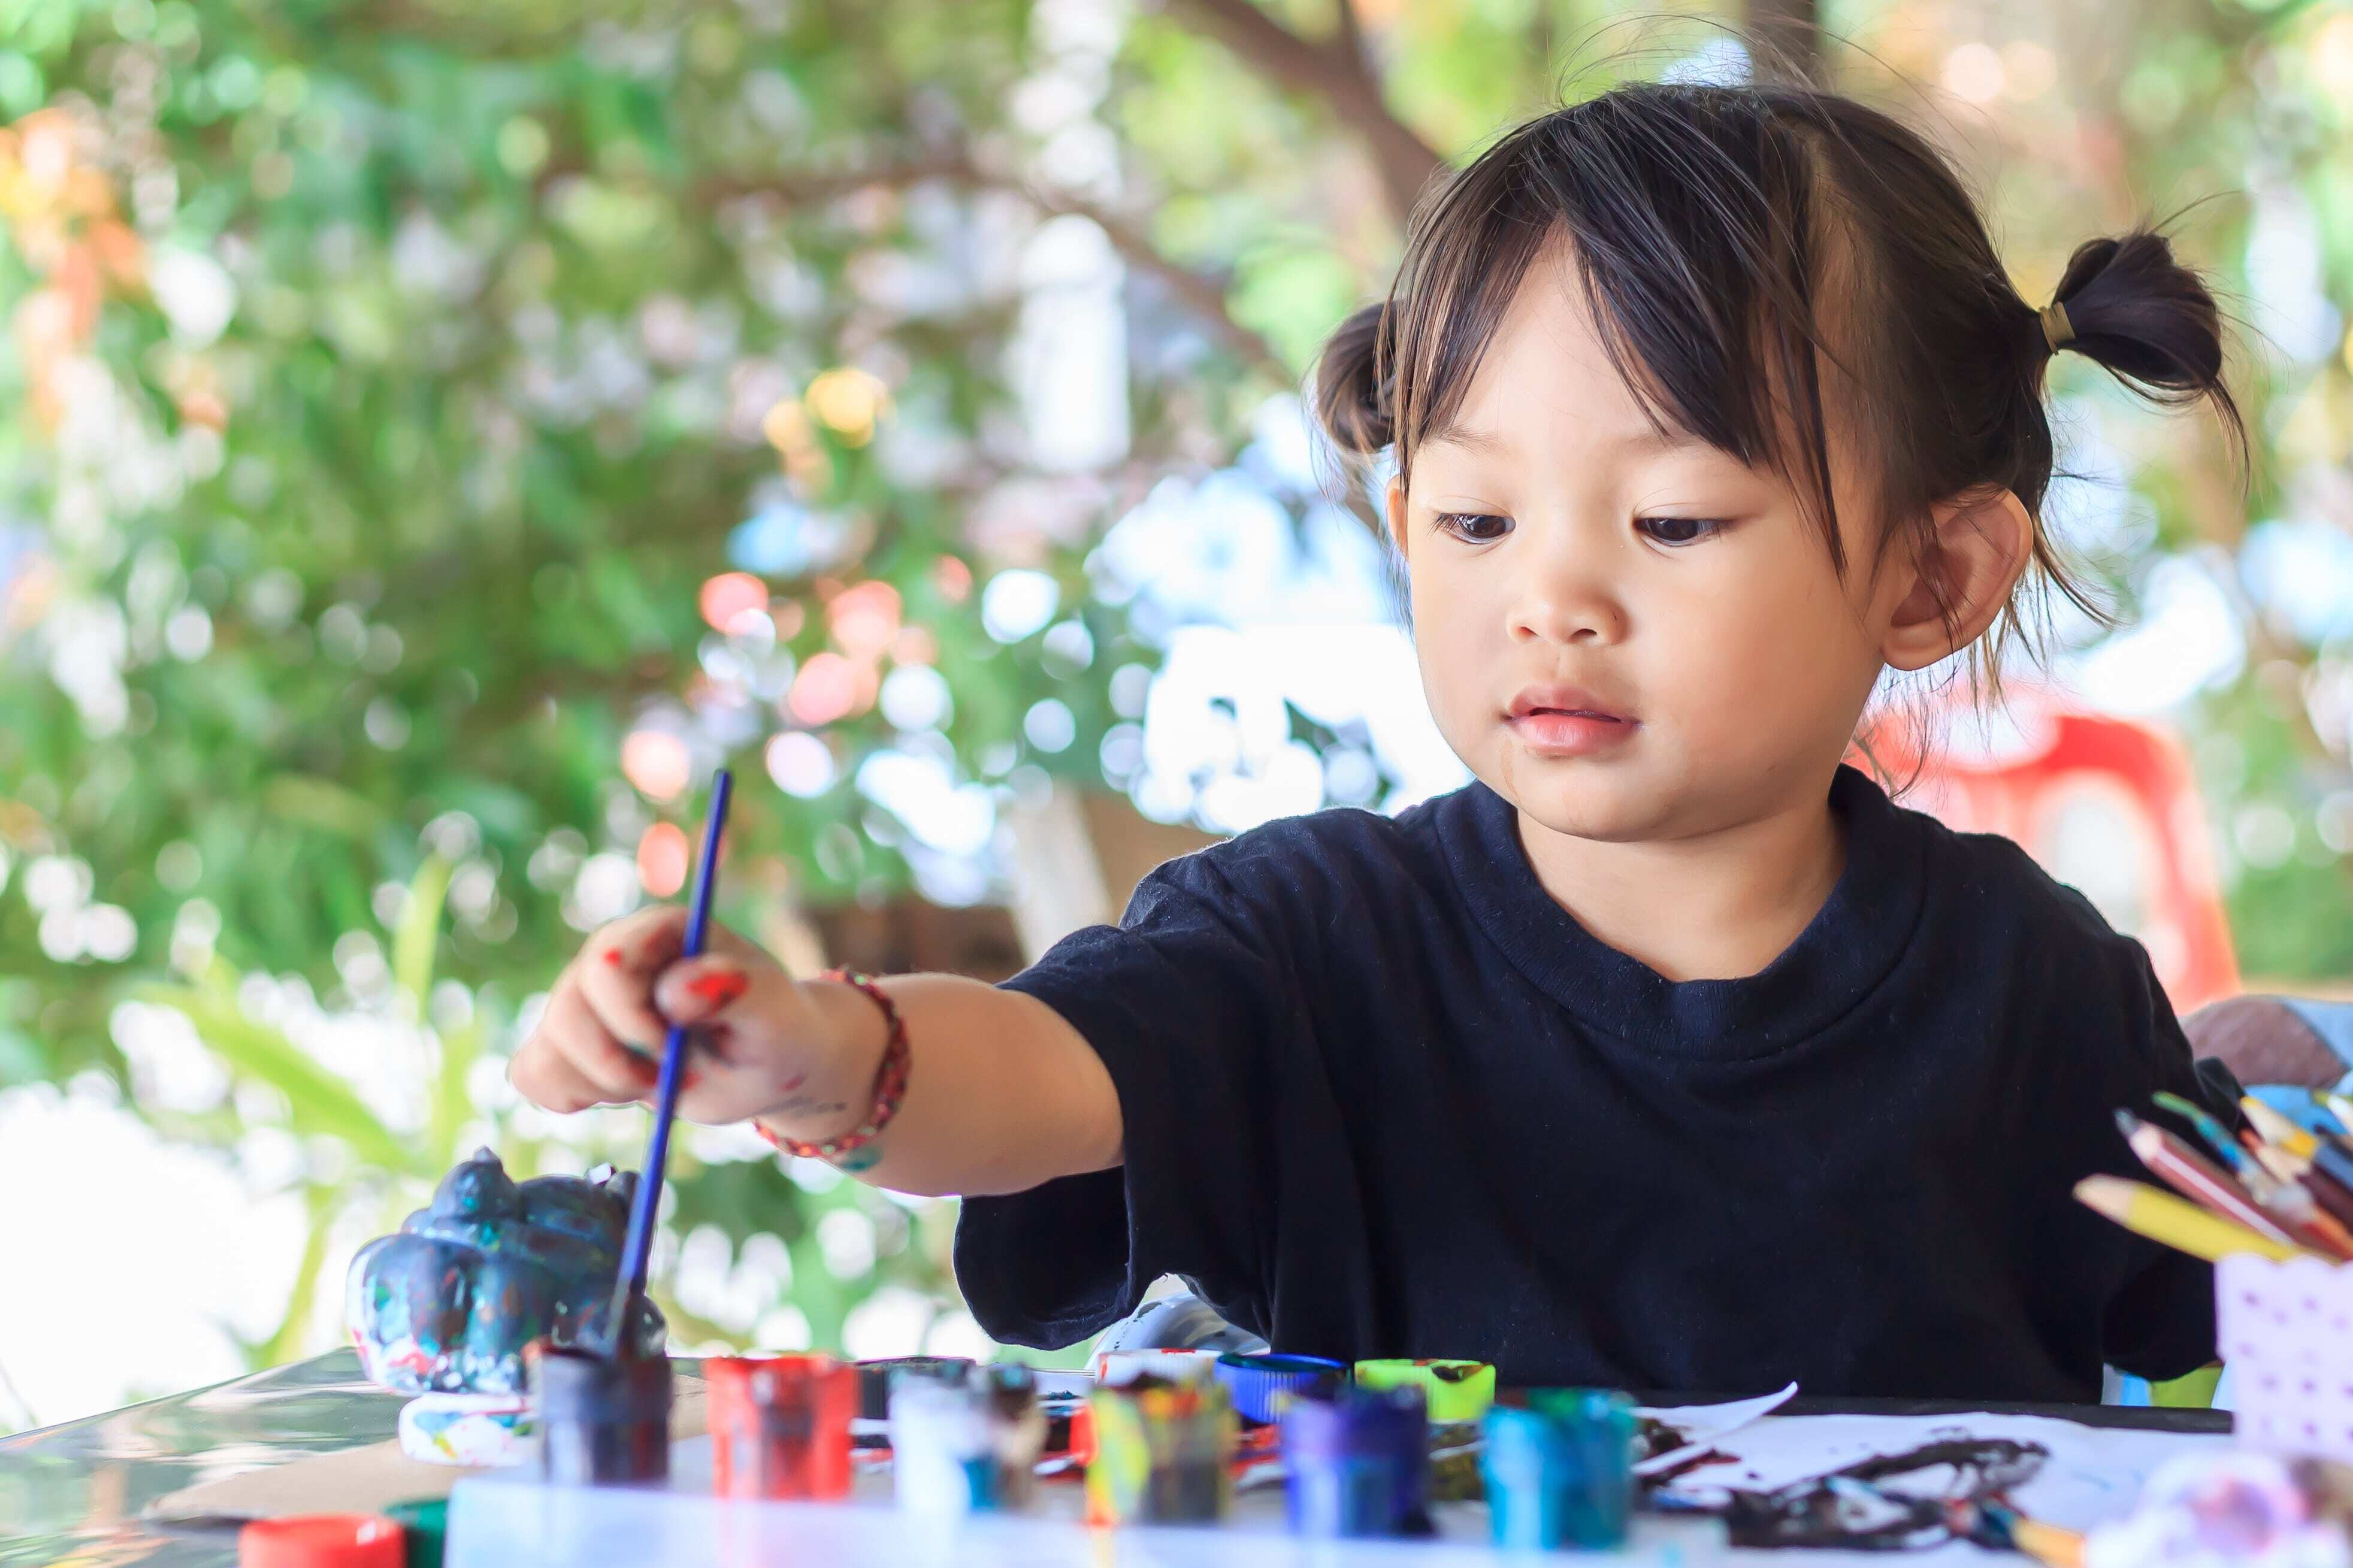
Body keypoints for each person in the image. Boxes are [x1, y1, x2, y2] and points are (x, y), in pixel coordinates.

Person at [509, 80, 2248, 1401]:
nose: (1549, 602)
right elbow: (1038, 1078)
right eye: (1478, 523)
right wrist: (819, 1054)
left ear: (1932, 575)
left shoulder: (2039, 990)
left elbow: (2257, 1299)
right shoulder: (1311, 941)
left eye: (1674, 524)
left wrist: (2271, 1118)